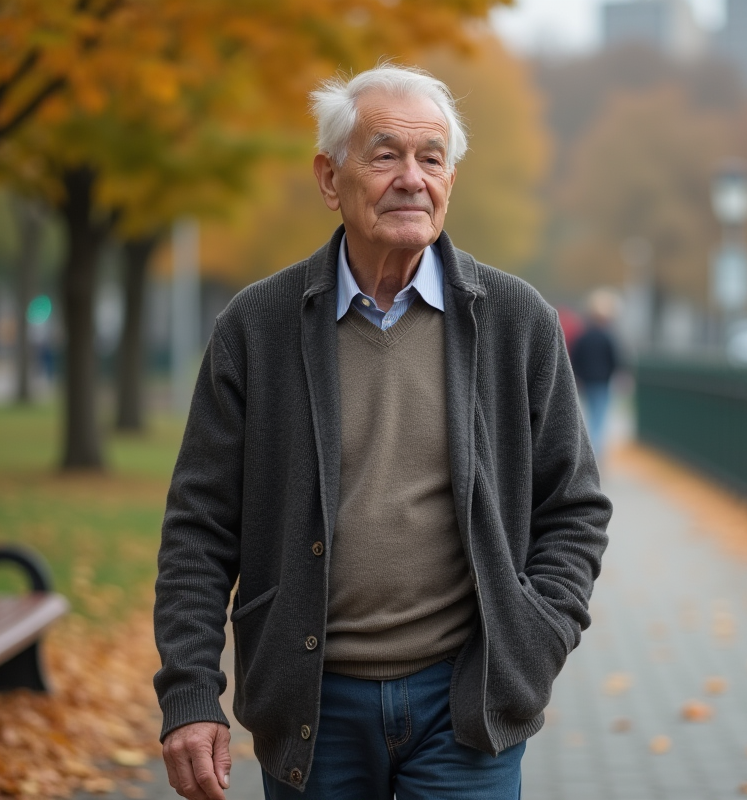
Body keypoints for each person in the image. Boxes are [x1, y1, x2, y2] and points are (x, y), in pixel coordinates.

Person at [153, 64, 612, 800]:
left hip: (466, 704)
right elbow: (199, 530)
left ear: (451, 180)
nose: (411, 178)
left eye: (431, 157)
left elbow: (575, 508)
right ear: (330, 178)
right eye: (385, 154)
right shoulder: (257, 327)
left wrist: (537, 636)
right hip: (310, 706)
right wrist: (190, 694)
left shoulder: (516, 322)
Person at [569, 289, 620, 461]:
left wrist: (578, 376)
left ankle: (589, 451)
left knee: (588, 416)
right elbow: (615, 359)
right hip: (602, 382)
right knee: (600, 417)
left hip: (586, 381)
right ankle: (597, 453)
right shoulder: (607, 336)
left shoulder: (583, 336)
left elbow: (575, 358)